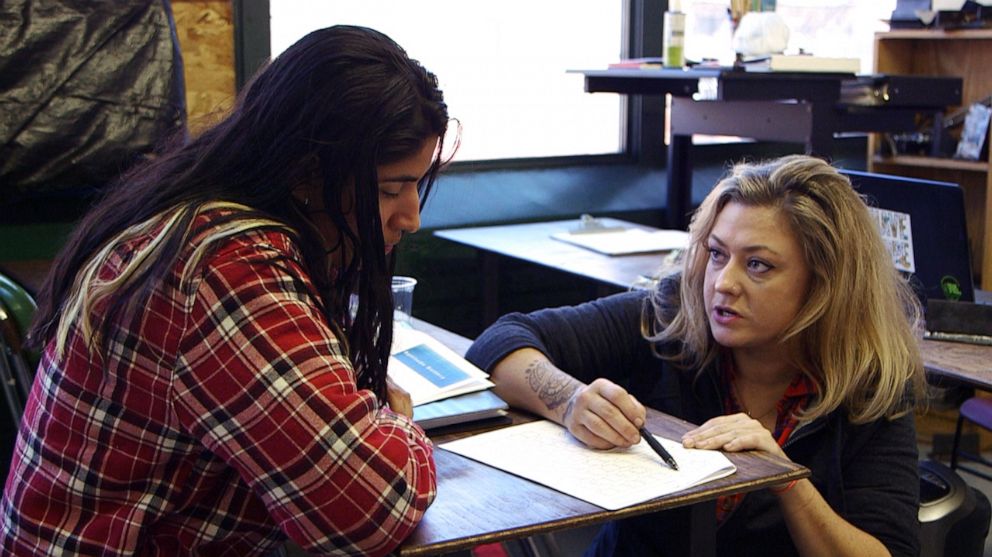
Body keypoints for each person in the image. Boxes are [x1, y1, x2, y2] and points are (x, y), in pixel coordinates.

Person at [0, 25, 451, 556]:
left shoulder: (197, 217)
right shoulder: (231, 270)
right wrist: (395, 423)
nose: (412, 218)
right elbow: (369, 511)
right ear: (308, 173)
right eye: (389, 189)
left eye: (416, 186)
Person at [466, 155, 926, 557]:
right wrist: (568, 401)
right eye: (717, 254)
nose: (723, 283)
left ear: (825, 283)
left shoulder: (874, 388)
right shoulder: (668, 320)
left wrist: (785, 479)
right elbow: (500, 342)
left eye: (758, 265)